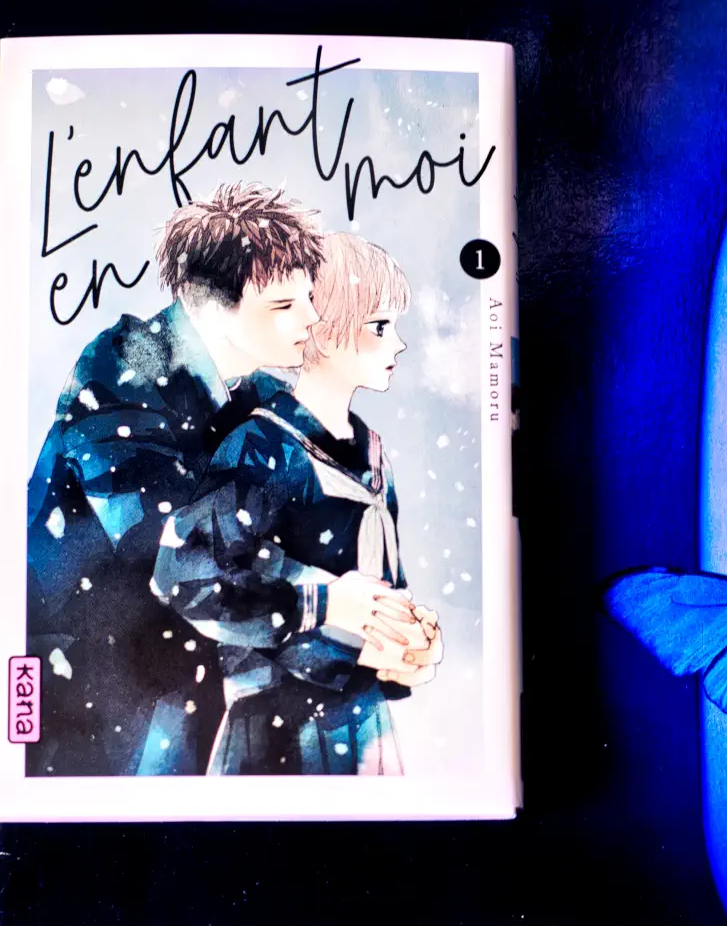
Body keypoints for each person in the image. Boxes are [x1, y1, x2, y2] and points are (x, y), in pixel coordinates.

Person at [25, 184, 409, 777]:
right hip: (92, 692)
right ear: (207, 304)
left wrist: (381, 635)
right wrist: (325, 599)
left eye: (308, 298)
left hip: (202, 691)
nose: (310, 319)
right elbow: (170, 551)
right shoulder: (123, 371)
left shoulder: (262, 398)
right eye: (284, 306)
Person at [153, 232, 443, 775]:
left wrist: (408, 648)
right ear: (325, 331)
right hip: (275, 734)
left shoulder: (373, 455)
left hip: (366, 730)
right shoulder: (261, 446)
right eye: (380, 326)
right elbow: (183, 572)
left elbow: (382, 596)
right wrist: (318, 603)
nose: (399, 344)